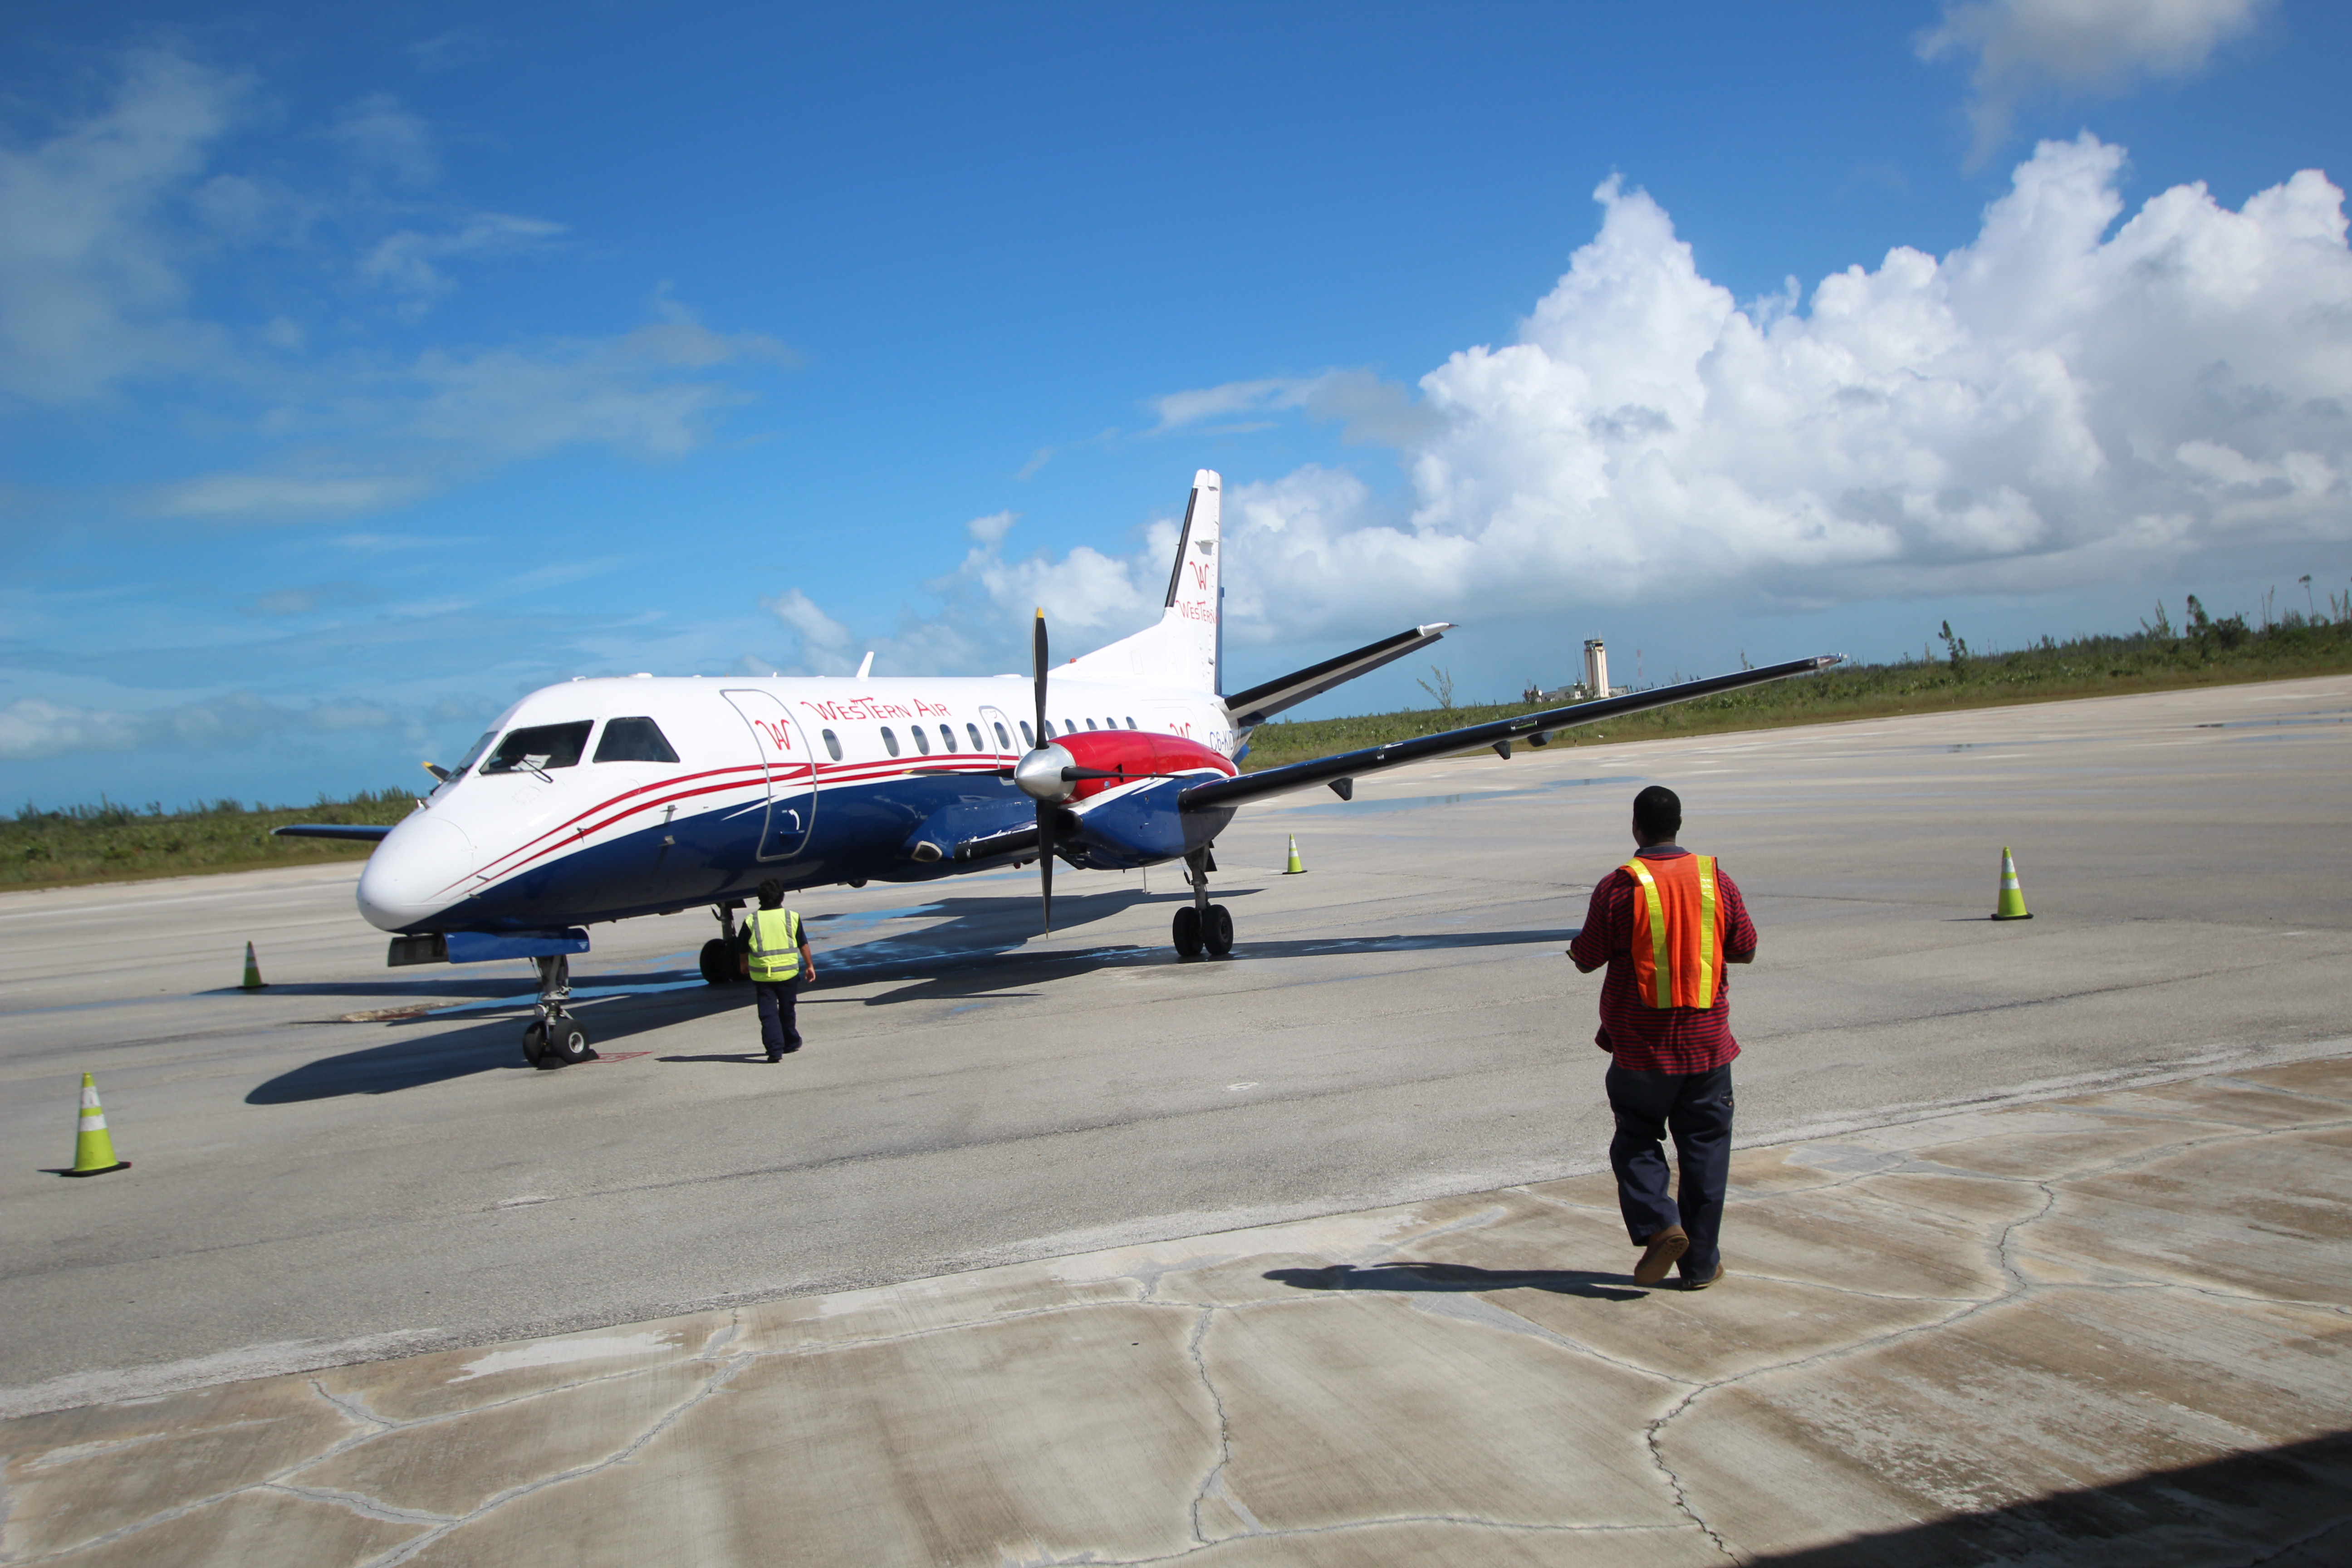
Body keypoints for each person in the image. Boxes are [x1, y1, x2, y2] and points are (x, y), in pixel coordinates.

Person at [1568, 785, 1756, 1290]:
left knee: (1635, 1137)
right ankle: (1699, 1266)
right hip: (1708, 1044)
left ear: (1637, 828)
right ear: (1678, 825)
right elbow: (1745, 948)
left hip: (1640, 1048)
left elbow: (1587, 957)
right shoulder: (1716, 879)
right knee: (1706, 1152)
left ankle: (1659, 1224)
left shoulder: (1619, 887)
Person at [744, 878, 816, 1062]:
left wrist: (743, 965)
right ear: (781, 897)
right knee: (787, 1010)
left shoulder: (751, 920)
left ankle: (775, 1050)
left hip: (763, 976)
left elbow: (742, 948)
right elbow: (803, 944)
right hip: (788, 974)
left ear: (759, 898)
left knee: (768, 1014)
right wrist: (809, 966)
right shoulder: (791, 917)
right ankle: (791, 1042)